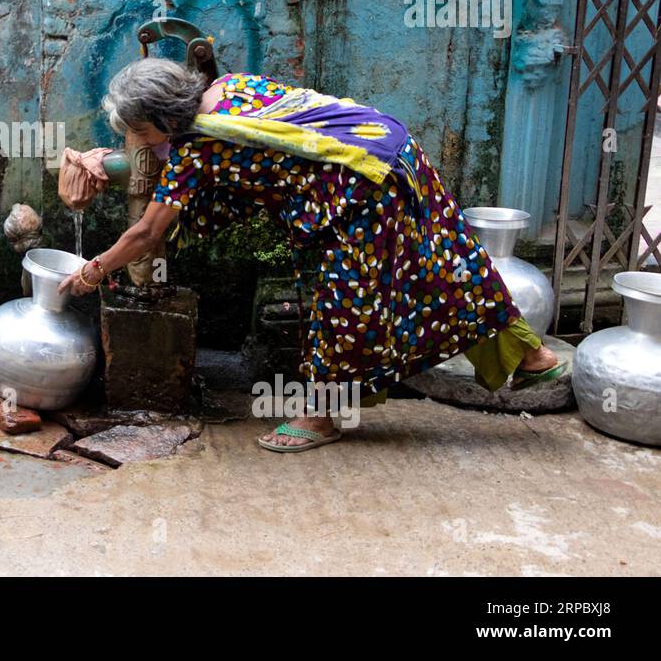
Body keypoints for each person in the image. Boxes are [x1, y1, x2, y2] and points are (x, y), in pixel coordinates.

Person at [57, 59, 564, 452]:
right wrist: (108, 158)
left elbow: (147, 234)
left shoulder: (199, 149)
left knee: (346, 305)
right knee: (448, 266)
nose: (141, 142)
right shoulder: (229, 88)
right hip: (394, 150)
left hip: (364, 191)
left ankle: (321, 415)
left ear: (164, 120)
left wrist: (93, 271)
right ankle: (532, 356)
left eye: (141, 132)